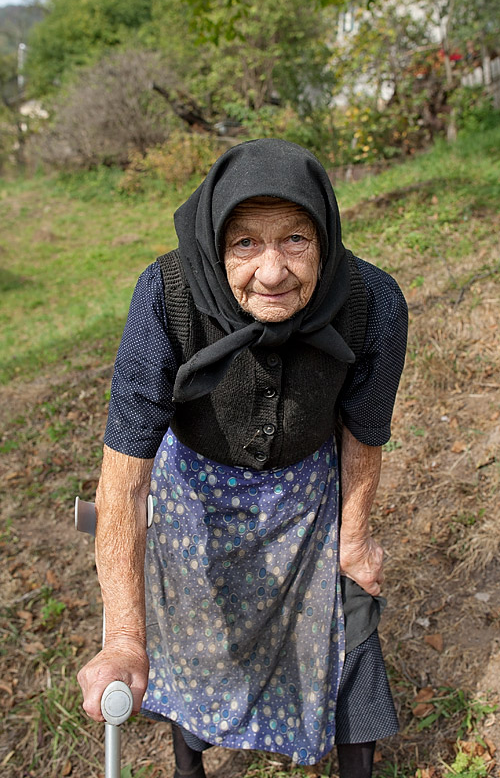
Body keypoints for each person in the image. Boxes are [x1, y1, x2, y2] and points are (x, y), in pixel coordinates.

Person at [78, 138, 408, 778]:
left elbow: (365, 431)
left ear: (326, 236)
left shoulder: (373, 302)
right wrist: (122, 639)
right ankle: (189, 766)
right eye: (245, 243)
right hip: (194, 498)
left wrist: (355, 537)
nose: (273, 272)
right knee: (196, 640)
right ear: (214, 243)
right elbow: (123, 481)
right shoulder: (167, 296)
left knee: (351, 622)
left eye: (296, 239)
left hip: (310, 494)